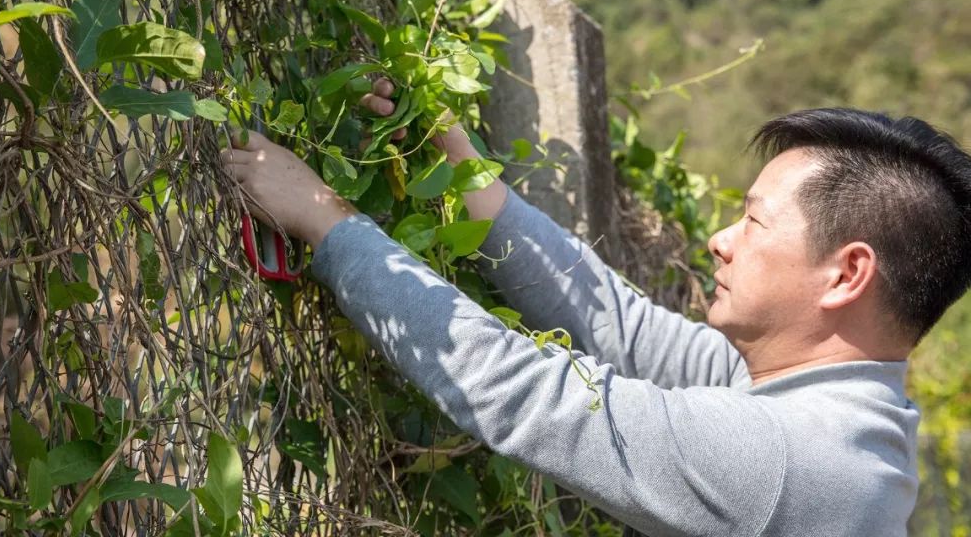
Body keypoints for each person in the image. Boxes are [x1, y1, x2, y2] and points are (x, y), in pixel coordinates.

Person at [221, 79, 971, 537]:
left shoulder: (786, 461)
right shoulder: (832, 411)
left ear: (847, 275)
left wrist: (325, 218)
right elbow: (619, 322)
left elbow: (527, 393)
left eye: (754, 221)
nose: (719, 240)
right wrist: (459, 163)